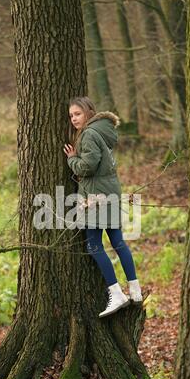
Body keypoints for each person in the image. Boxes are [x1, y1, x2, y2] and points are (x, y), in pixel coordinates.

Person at [63, 96, 142, 318]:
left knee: (94, 245)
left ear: (88, 112)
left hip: (96, 196)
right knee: (117, 241)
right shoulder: (103, 131)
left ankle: (116, 293)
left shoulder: (88, 134)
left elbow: (88, 165)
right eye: (71, 116)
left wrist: (72, 160)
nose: (73, 119)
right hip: (110, 190)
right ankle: (135, 290)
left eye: (77, 114)